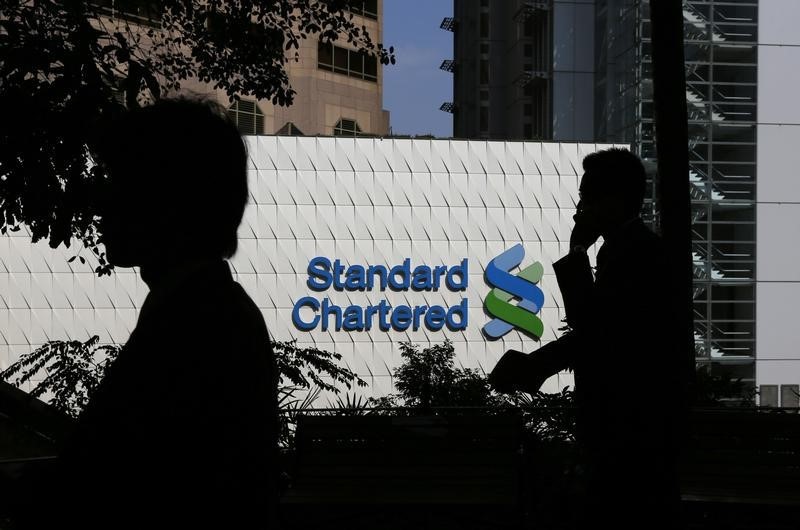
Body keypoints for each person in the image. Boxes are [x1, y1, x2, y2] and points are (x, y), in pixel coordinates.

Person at [16, 98, 278, 529]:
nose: (102, 204)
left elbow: (119, 481)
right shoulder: (211, 312)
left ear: (167, 200)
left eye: (120, 183)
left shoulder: (191, 327)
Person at [490, 148, 686, 529]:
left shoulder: (633, 254)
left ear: (611, 200)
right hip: (635, 427)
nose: (579, 209)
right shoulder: (631, 249)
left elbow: (596, 328)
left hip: (629, 429)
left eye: (586, 198)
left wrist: (577, 250)